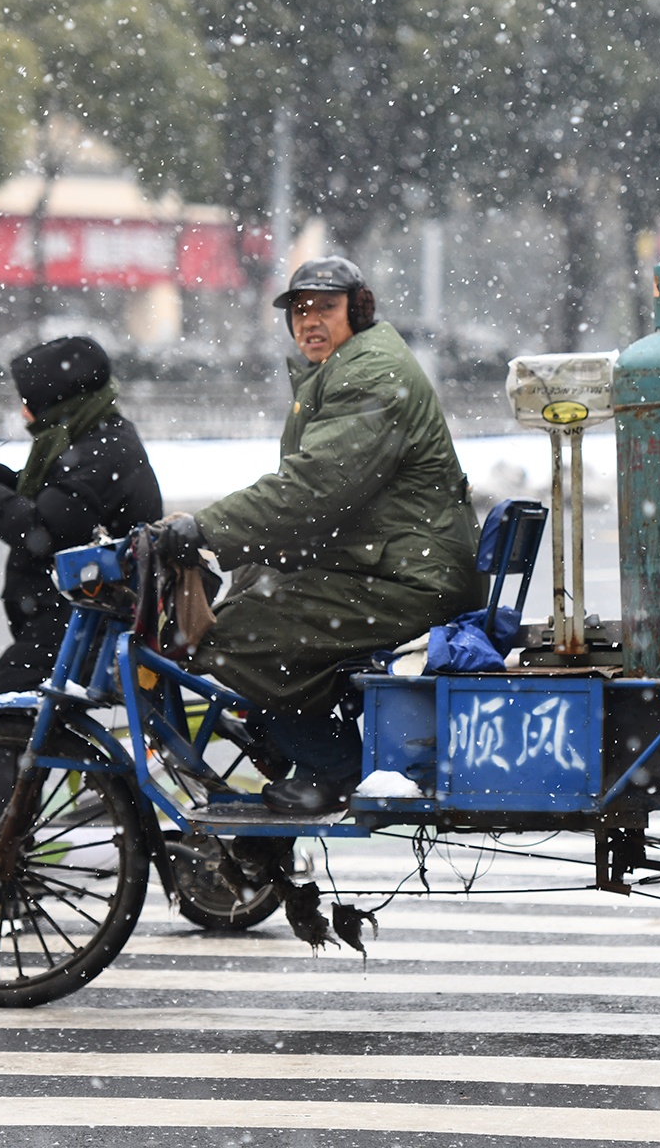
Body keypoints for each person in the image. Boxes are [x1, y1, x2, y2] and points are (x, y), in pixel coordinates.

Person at [156, 257, 481, 815]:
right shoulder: (343, 368)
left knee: (231, 635)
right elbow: (321, 502)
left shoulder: (369, 373)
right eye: (299, 311)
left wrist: (205, 529)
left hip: (411, 577)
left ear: (358, 309)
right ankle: (295, 740)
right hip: (397, 562)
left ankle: (332, 764)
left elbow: (314, 487)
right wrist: (242, 548)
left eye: (325, 308)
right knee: (257, 583)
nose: (309, 322)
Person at [0, 334, 163, 800]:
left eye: (31, 403)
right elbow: (54, 502)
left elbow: (42, 528)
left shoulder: (100, 450)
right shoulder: (92, 435)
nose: (25, 415)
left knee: (10, 706)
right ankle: (20, 823)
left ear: (59, 401)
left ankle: (6, 842)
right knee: (24, 707)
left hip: (92, 620)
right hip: (81, 612)